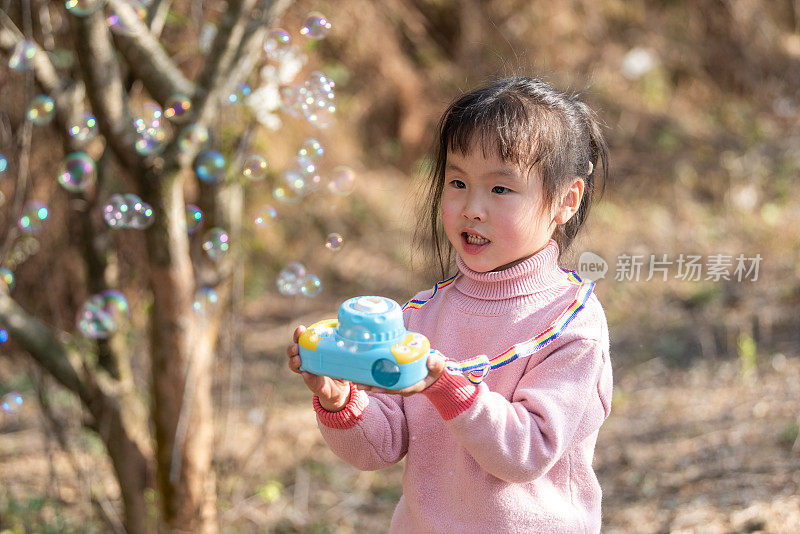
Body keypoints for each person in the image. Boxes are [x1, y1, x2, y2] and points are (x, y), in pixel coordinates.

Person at [286, 76, 613, 533]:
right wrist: (340, 400)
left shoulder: (570, 324)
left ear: (566, 200)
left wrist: (446, 386)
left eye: (500, 189)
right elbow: (380, 446)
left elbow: (526, 451)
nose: (471, 207)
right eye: (457, 181)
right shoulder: (421, 315)